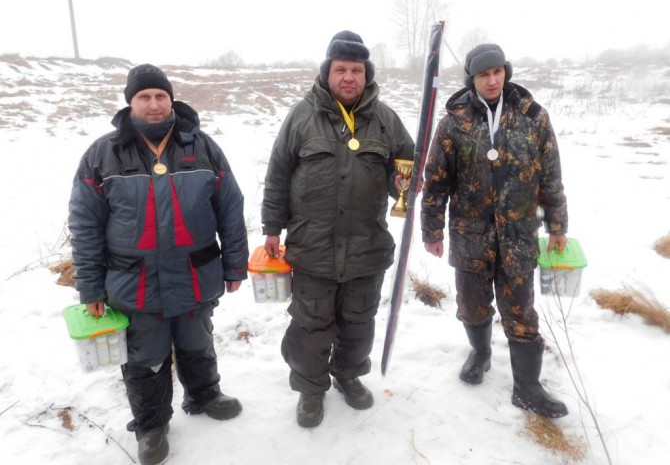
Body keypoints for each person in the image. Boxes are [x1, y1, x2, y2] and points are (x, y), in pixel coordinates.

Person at [68, 64, 249, 464]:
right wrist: (91, 287)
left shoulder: (202, 146)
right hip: (134, 282)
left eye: (160, 96)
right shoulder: (104, 153)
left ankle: (204, 395)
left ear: (172, 100)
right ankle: (151, 426)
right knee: (144, 358)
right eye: (144, 97)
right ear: (130, 102)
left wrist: (236, 264)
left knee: (197, 342)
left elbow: (230, 208)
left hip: (195, 274)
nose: (153, 104)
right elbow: (85, 223)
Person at [262, 31, 414, 427]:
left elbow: (406, 168)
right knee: (311, 325)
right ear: (327, 71)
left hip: (366, 247)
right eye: (341, 69)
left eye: (357, 70)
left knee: (358, 322)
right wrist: (272, 228)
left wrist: (405, 184)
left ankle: (348, 375)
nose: (349, 77)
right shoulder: (301, 116)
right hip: (313, 247)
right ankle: (311, 388)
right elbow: (278, 175)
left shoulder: (386, 120)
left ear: (367, 74)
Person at [421, 44, 569, 418]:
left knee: (522, 313)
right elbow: (436, 180)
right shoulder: (454, 122)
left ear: (506, 72)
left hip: (518, 236)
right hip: (469, 235)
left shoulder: (533, 117)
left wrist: (557, 225)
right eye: (484, 74)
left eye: (498, 72)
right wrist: (432, 229)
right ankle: (481, 352)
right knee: (471, 307)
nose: (492, 80)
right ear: (472, 78)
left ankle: (528, 388)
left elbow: (551, 176)